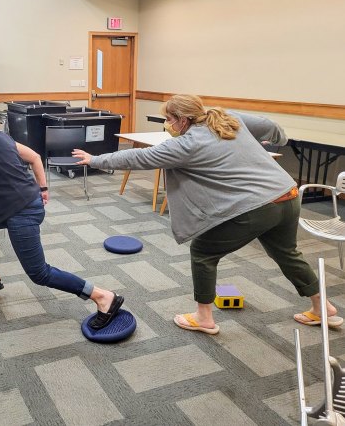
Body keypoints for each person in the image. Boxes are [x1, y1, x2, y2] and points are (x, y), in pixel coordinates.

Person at [72, 94, 343, 335]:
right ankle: (323, 307)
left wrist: (95, 160)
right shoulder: (227, 117)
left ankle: (203, 318)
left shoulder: (185, 145)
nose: (167, 124)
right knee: (287, 253)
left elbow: (138, 158)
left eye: (169, 119)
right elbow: (268, 124)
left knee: (203, 252)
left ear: (182, 120)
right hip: (288, 195)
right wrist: (277, 141)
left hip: (257, 206)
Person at [0, 96, 123, 330]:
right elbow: (34, 157)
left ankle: (103, 296)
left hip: (21, 210)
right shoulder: (0, 135)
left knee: (39, 273)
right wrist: (43, 188)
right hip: (5, 206)